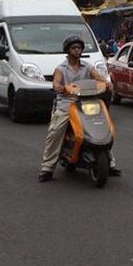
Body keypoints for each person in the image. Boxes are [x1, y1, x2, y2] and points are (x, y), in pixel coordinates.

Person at [38, 35, 119, 182]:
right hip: (66, 103)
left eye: (79, 48)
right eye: (74, 48)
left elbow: (98, 77)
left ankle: (110, 162)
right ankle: (47, 168)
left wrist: (107, 83)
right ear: (68, 51)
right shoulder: (61, 68)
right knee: (55, 131)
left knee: (102, 127)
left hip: (87, 101)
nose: (77, 50)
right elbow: (56, 83)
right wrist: (59, 87)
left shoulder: (87, 66)